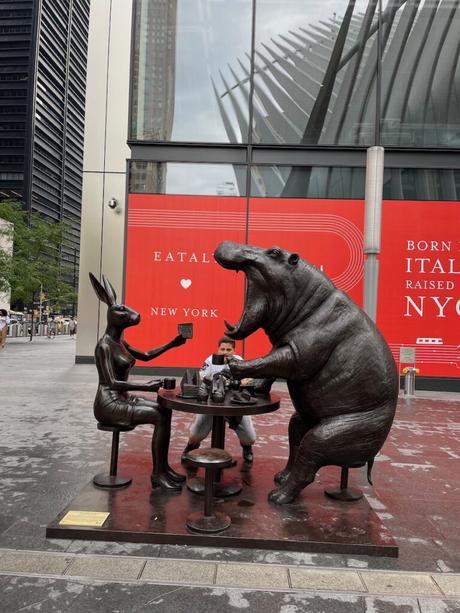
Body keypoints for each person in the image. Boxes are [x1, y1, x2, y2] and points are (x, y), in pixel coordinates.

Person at [182, 336, 256, 464]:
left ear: (234, 350)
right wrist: (215, 378)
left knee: (250, 437)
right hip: (212, 401)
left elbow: (249, 379)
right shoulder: (210, 360)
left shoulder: (240, 361)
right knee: (196, 433)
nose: (225, 352)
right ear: (218, 349)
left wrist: (244, 380)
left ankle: (247, 448)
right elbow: (201, 378)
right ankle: (191, 446)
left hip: (235, 402)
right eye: (222, 349)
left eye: (229, 349)